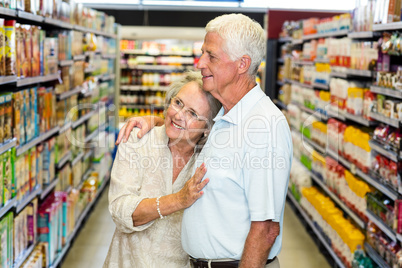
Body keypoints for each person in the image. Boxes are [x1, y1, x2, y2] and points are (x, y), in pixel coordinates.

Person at [116, 13, 292, 268]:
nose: (200, 63)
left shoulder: (262, 127)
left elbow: (265, 230)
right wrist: (155, 122)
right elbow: (194, 126)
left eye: (211, 56)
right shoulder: (226, 114)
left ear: (242, 64)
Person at [104, 71, 221, 268]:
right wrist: (178, 200)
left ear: (207, 127)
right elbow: (119, 210)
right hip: (127, 262)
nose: (178, 115)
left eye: (192, 113)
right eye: (178, 103)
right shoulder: (138, 139)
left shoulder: (208, 160)